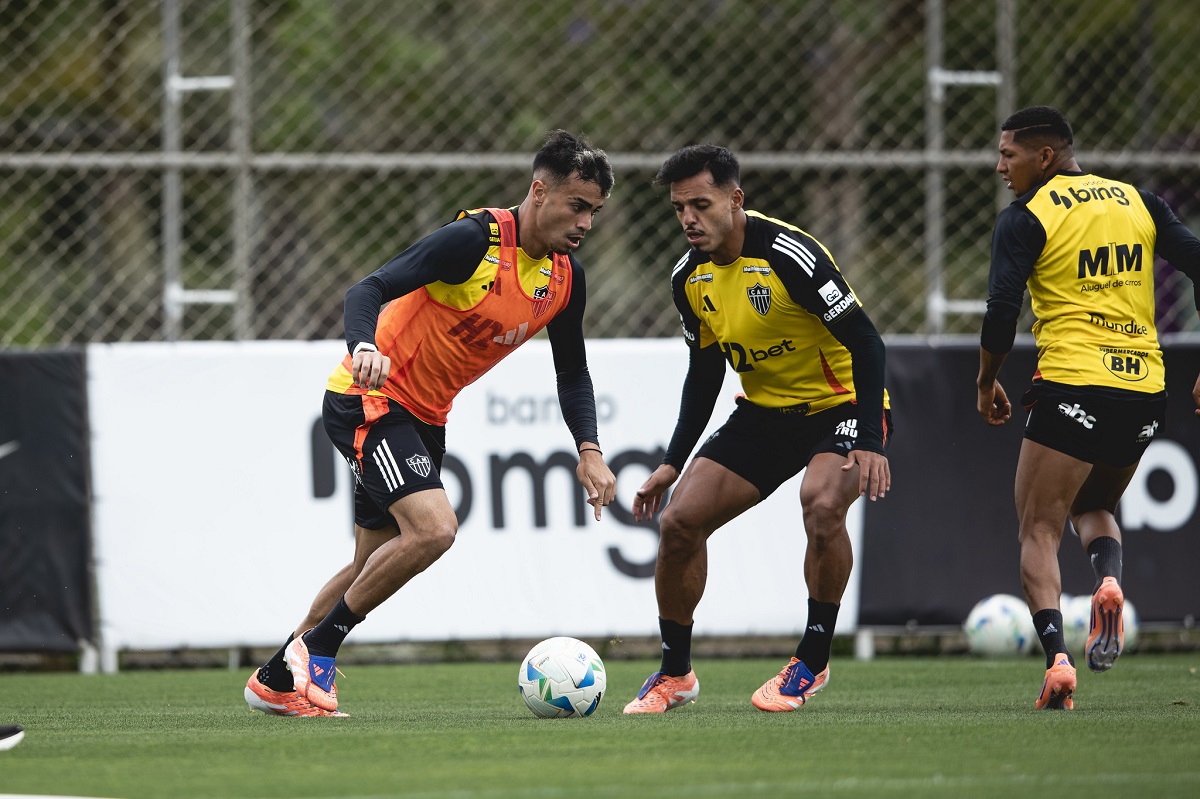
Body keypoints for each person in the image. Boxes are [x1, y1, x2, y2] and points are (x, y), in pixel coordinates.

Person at [244, 130, 618, 717]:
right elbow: (367, 288)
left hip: (426, 417)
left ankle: (277, 679)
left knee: (372, 563)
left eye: (595, 211)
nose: (586, 223)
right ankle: (318, 650)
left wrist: (589, 448)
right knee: (435, 530)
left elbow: (572, 372)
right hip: (370, 397)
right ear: (539, 191)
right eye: (578, 206)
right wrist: (364, 343)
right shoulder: (475, 241)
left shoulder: (566, 279)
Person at [623, 145, 892, 714]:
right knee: (679, 522)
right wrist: (674, 459)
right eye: (678, 209)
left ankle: (812, 661)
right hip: (767, 411)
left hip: (839, 402)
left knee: (821, 505)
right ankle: (676, 675)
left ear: (735, 199)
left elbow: (867, 341)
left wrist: (870, 437)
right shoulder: (688, 277)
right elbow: (704, 369)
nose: (689, 219)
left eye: (701, 204)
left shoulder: (789, 255)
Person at [977, 105, 1200, 710]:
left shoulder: (1026, 217)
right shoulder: (1140, 201)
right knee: (1095, 502)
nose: (1000, 166)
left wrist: (985, 381)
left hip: (1074, 383)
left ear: (1044, 157)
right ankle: (1107, 582)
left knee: (1037, 528)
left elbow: (1001, 314)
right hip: (1144, 389)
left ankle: (1056, 660)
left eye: (1008, 154)